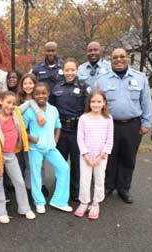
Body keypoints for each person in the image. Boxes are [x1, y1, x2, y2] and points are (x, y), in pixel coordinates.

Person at [95, 48, 152, 203]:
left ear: (127, 59)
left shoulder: (140, 78)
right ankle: (108, 186)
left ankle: (123, 188)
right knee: (109, 157)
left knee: (128, 157)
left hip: (132, 125)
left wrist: (146, 123)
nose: (118, 60)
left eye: (122, 57)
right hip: (108, 125)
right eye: (115, 57)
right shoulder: (102, 80)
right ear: (111, 59)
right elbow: (94, 102)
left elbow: (146, 102)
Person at [0, 91, 36, 224]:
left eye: (14, 103)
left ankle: (24, 208)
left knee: (19, 182)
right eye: (8, 102)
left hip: (11, 154)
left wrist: (37, 112)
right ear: (1, 101)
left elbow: (30, 102)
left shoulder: (16, 113)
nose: (11, 106)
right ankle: (0, 212)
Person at [23, 82, 72, 214]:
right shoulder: (29, 111)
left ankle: (59, 201)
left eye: (43, 93)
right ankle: (39, 202)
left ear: (48, 94)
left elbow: (58, 126)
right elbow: (21, 129)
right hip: (35, 147)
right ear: (33, 95)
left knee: (64, 168)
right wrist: (35, 139)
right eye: (37, 94)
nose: (41, 96)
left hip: (50, 147)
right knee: (36, 173)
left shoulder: (53, 110)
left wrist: (55, 140)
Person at [51, 58, 90, 202]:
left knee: (76, 163)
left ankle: (75, 191)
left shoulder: (83, 87)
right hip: (61, 131)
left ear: (77, 70)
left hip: (76, 131)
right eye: (67, 70)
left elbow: (88, 109)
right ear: (63, 71)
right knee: (60, 162)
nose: (69, 73)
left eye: (72, 70)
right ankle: (60, 189)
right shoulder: (56, 87)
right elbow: (52, 109)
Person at [74, 90, 113, 220]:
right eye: (93, 101)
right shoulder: (84, 118)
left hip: (101, 157)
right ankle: (84, 202)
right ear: (89, 103)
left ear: (104, 103)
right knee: (84, 180)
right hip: (86, 156)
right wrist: (86, 155)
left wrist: (101, 155)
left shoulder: (108, 118)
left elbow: (109, 139)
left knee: (99, 179)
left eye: (99, 101)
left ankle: (96, 203)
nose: (96, 104)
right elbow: (80, 138)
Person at [17, 73, 49, 197]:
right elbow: (17, 113)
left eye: (31, 83)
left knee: (40, 163)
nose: (28, 86)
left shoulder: (41, 98)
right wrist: (30, 103)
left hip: (40, 134)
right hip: (26, 136)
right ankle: (29, 187)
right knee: (29, 163)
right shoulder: (19, 100)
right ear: (22, 85)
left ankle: (41, 184)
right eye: (25, 83)